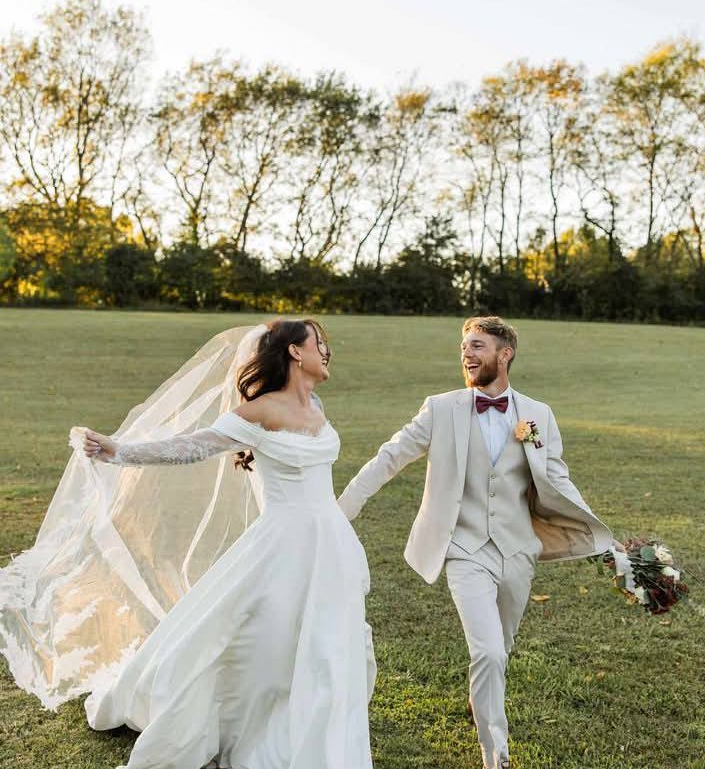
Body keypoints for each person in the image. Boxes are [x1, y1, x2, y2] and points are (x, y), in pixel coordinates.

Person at [75, 319, 375, 769]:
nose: (327, 352)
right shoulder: (259, 412)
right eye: (320, 344)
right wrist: (121, 451)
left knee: (325, 637)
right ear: (295, 352)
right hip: (282, 547)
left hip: (330, 543)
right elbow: (191, 447)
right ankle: (242, 718)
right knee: (260, 637)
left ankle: (314, 714)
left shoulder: (317, 405)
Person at [338, 315, 621, 769]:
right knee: (487, 651)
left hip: (517, 550)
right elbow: (388, 458)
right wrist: (339, 513)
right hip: (464, 549)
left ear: (504, 354)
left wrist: (603, 537)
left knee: (501, 648)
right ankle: (496, 755)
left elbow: (558, 479)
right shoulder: (440, 408)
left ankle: (481, 699)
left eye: (477, 346)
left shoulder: (537, 414)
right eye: (463, 347)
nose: (467, 354)